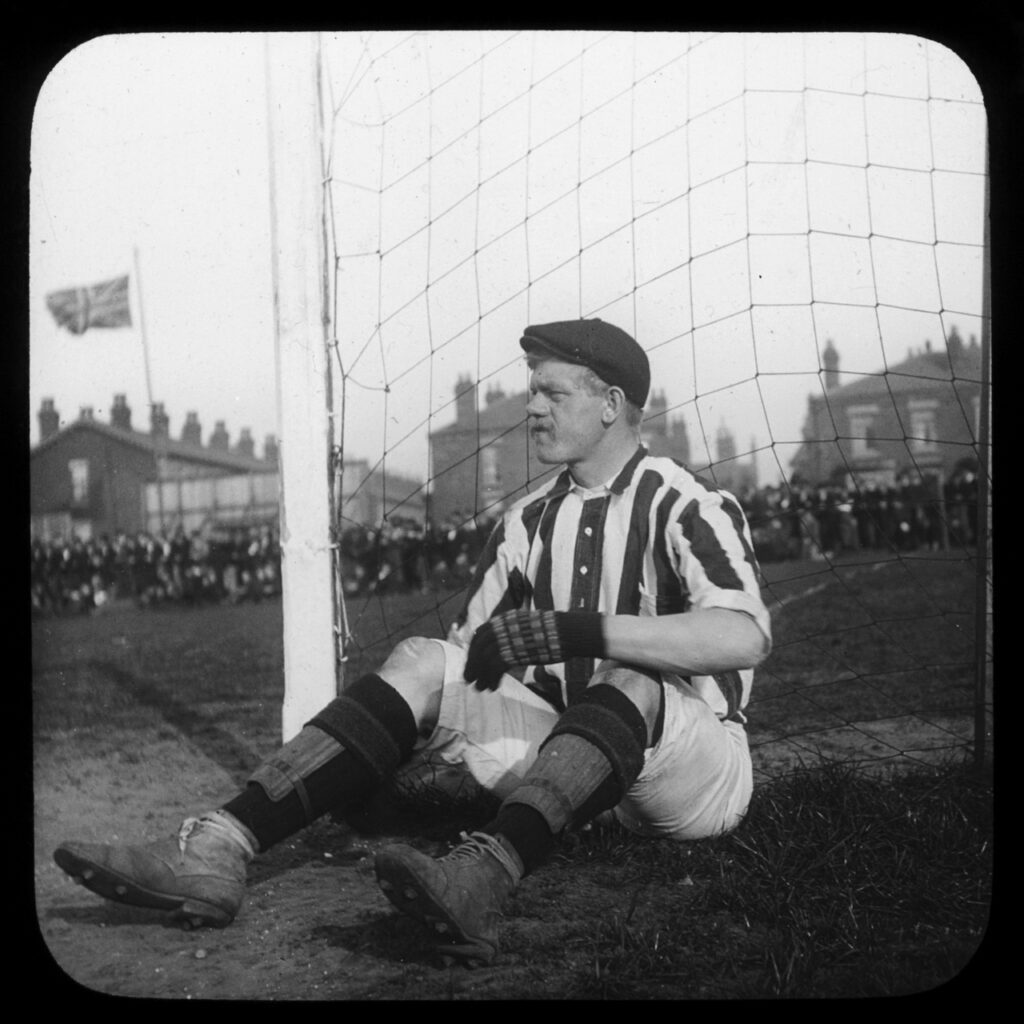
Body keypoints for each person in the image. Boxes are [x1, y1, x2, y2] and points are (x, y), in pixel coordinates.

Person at [54, 318, 772, 966]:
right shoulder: (527, 521)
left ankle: (482, 875)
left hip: (690, 770)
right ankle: (218, 844)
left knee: (632, 677)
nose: (531, 407)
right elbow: (468, 659)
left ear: (610, 405)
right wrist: (399, 746)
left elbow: (744, 635)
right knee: (426, 658)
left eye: (552, 393)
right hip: (569, 762)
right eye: (533, 391)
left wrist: (583, 631)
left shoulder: (685, 501)